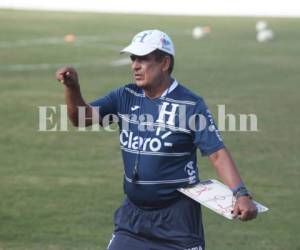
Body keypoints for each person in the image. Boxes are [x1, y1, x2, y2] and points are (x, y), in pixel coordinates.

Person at [55, 29, 257, 250]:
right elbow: (81, 118)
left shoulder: (190, 105)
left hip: (177, 224)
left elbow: (217, 153)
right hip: (133, 219)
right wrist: (72, 89)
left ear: (165, 63)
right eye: (133, 58)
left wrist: (241, 194)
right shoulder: (124, 96)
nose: (135, 65)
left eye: (143, 59)